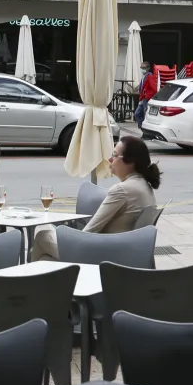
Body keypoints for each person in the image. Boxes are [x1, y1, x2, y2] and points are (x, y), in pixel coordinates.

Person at [30, 135, 160, 261]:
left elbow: (89, 232)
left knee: (43, 233)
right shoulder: (145, 186)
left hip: (103, 255)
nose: (110, 159)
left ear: (130, 162)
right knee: (45, 259)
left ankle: (26, 281)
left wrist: (67, 234)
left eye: (115, 155)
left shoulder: (122, 190)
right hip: (125, 253)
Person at [134, 62, 157, 130]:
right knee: (137, 114)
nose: (142, 69)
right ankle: (142, 127)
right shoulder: (144, 76)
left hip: (145, 99)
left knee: (144, 115)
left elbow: (154, 89)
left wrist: (146, 96)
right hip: (142, 99)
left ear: (148, 69)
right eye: (141, 67)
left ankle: (144, 130)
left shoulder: (149, 76)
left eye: (143, 68)